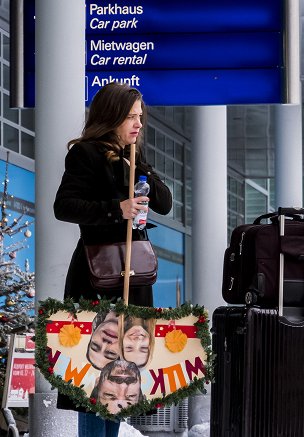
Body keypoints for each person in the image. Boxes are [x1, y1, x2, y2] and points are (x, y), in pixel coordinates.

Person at [53, 81, 172, 436]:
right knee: (94, 374)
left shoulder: (133, 157)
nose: (138, 124)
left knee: (122, 376)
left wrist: (140, 167)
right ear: (112, 116)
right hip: (97, 276)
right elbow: (64, 207)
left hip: (132, 278)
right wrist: (115, 209)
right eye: (130, 117)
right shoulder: (86, 153)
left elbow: (164, 203)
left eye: (140, 117)